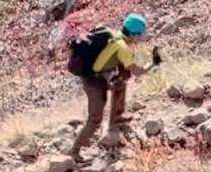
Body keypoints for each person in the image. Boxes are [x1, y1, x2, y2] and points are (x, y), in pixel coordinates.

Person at [68, 13, 159, 159]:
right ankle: (74, 151)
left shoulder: (115, 35)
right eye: (140, 35)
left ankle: (117, 118)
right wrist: (153, 63)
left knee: (120, 81)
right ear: (134, 34)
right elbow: (138, 72)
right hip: (92, 81)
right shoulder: (123, 48)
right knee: (95, 119)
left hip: (98, 76)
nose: (141, 38)